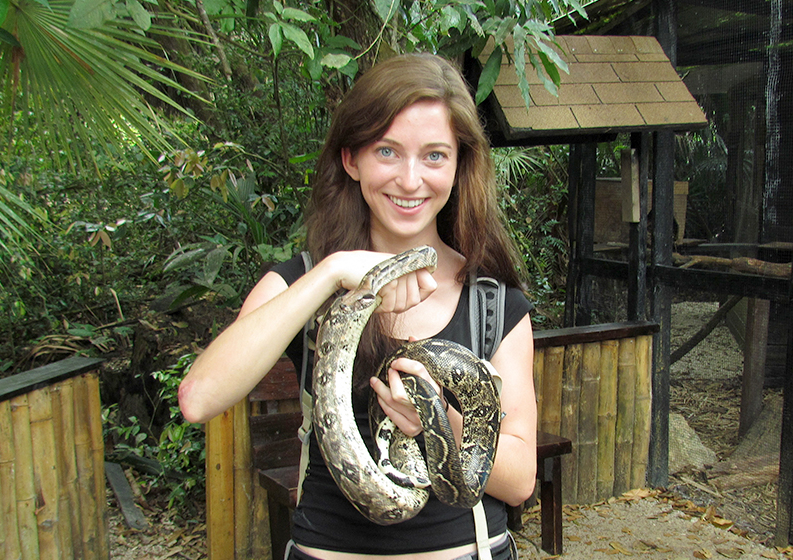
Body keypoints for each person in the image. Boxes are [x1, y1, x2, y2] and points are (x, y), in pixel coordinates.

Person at [178, 53, 536, 560]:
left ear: (458, 166)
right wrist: (331, 271)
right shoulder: (305, 280)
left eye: (434, 155)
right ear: (352, 159)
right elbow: (199, 398)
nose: (410, 181)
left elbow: (520, 480)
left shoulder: (493, 303)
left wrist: (434, 418)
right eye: (387, 151)